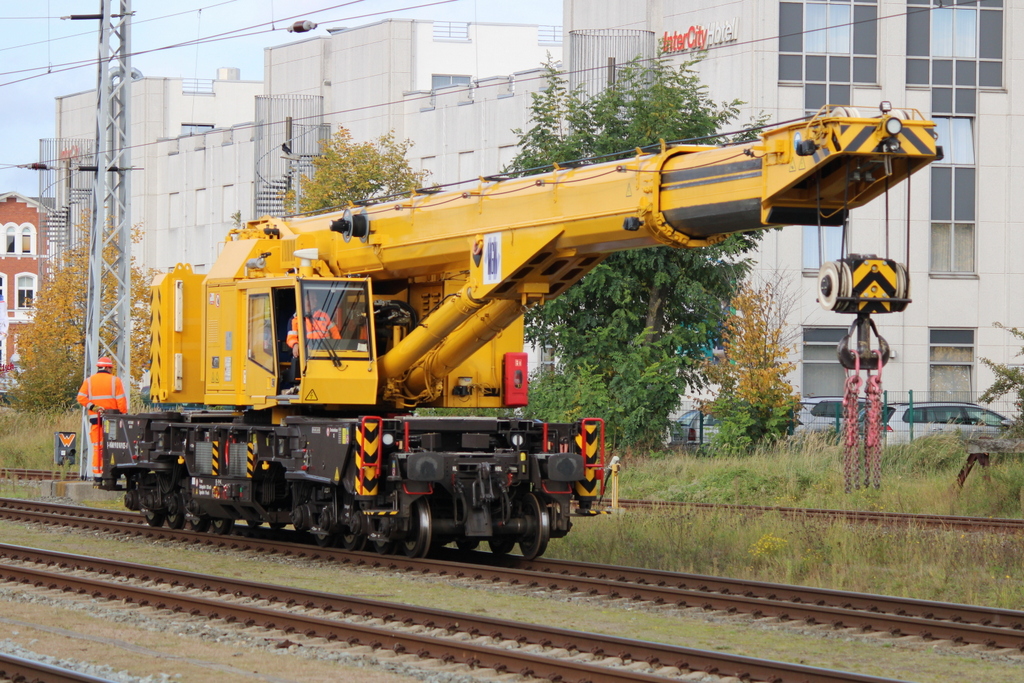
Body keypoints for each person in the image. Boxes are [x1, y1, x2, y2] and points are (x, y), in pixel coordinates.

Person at [77, 357, 128, 481]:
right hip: (113, 421)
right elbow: (121, 401)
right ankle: (114, 473)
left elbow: (81, 398)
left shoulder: (89, 381)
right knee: (115, 446)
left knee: (98, 447)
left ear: (99, 367)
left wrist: (93, 407)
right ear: (108, 367)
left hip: (96, 420)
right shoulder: (115, 381)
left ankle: (98, 475)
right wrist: (124, 415)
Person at [283, 294, 341, 394]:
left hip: (326, 354)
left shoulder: (324, 316)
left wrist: (339, 347)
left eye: (314, 298)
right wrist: (295, 345)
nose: (313, 301)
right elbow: (291, 337)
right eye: (310, 299)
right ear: (302, 302)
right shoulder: (295, 319)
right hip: (307, 356)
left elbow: (335, 334)